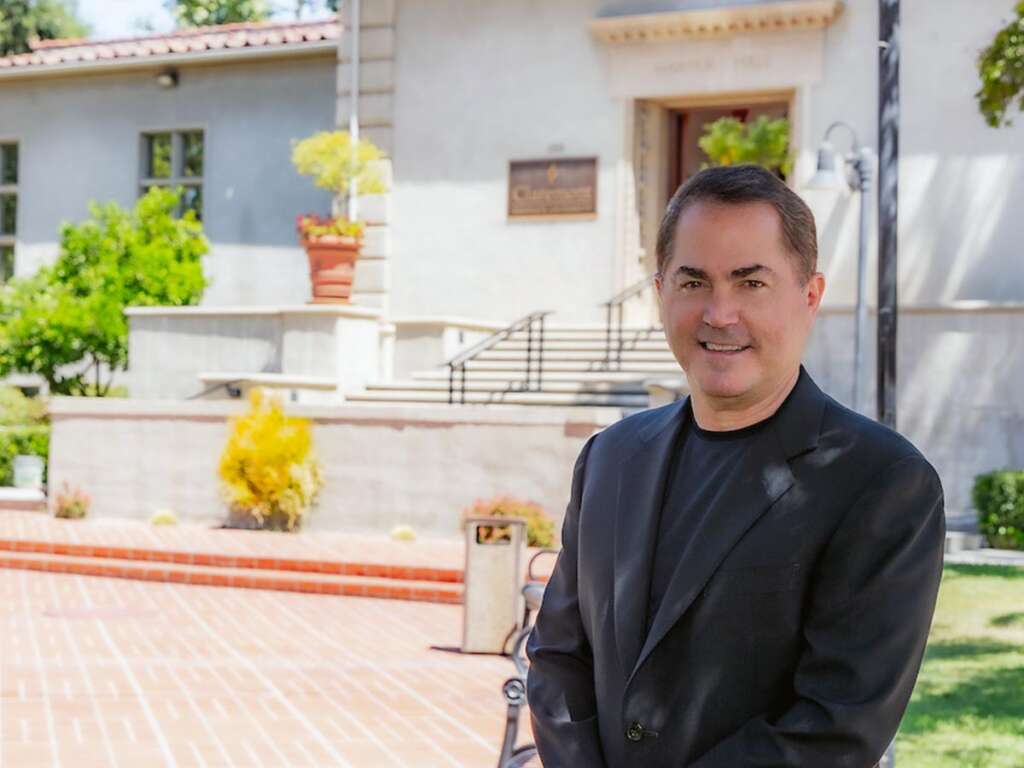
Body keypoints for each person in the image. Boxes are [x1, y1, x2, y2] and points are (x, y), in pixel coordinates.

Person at [526, 164, 946, 768]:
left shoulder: (881, 483)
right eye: (694, 282)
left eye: (751, 284)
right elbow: (559, 659)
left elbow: (833, 728)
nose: (720, 313)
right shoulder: (609, 460)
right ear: (661, 291)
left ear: (810, 296)